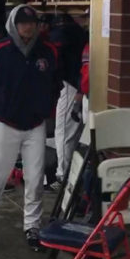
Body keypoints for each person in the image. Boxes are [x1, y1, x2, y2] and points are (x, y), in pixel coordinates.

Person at [0, 5, 61, 251]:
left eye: (32, 22)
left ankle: (32, 227)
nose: (28, 27)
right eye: (23, 22)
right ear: (13, 24)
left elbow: (56, 82)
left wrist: (46, 106)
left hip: (35, 124)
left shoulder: (48, 52)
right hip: (6, 123)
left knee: (35, 179)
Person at [49, 13, 90, 190]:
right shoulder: (81, 33)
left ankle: (64, 177)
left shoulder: (61, 32)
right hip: (80, 86)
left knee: (64, 133)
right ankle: (70, 176)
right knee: (75, 134)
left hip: (73, 86)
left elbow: (57, 60)